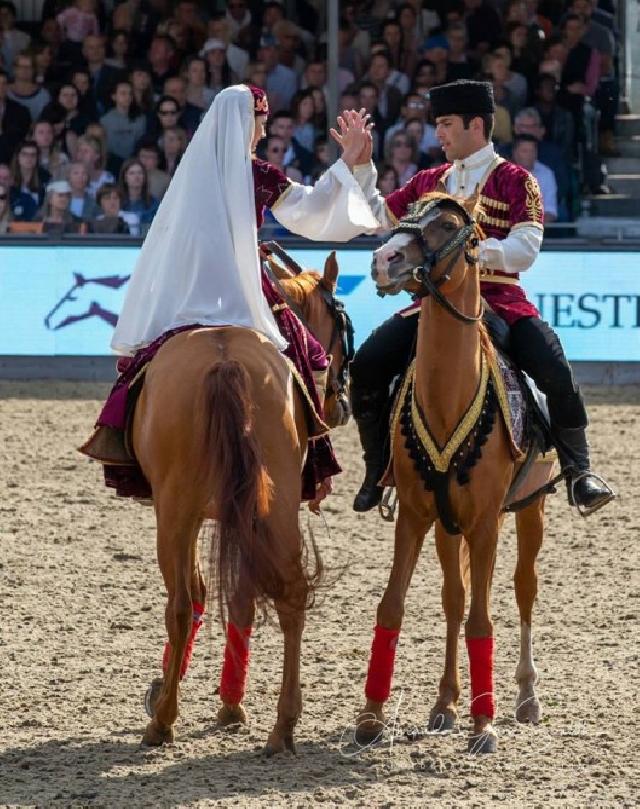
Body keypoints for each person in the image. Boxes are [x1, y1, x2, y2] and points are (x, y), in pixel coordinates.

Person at [88, 84, 378, 504]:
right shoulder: (257, 173)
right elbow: (310, 210)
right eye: (259, 122)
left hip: (186, 284)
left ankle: (121, 439)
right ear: (247, 121)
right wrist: (347, 165)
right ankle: (312, 459)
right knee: (308, 354)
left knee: (143, 359)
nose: (261, 133)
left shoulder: (190, 172)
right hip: (242, 285)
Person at [347, 79, 614, 516]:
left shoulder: (516, 180)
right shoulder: (428, 181)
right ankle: (378, 469)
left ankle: (579, 472)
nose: (440, 134)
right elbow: (379, 219)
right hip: (432, 304)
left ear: (476, 124)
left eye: (447, 124)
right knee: (368, 366)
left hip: (500, 300)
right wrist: (362, 167)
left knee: (555, 371)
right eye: (438, 124)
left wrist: (472, 250)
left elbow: (526, 248)